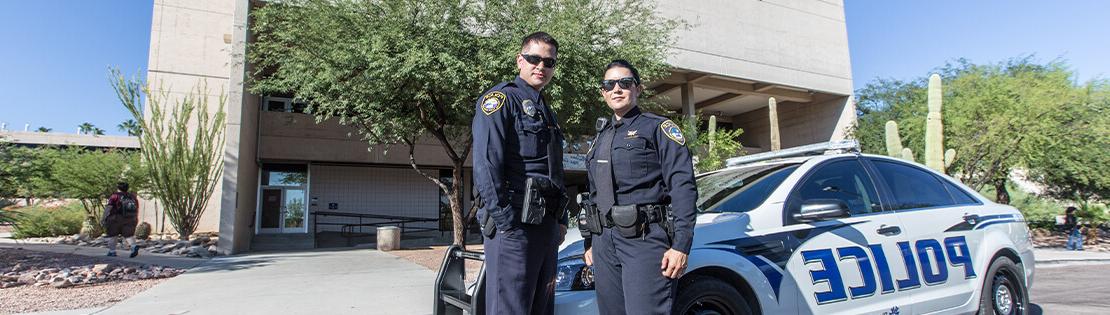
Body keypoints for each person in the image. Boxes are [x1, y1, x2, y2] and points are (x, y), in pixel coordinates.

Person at [581, 60, 697, 315]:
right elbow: (594, 193)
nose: (617, 89)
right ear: (603, 92)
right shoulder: (600, 137)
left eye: (625, 83)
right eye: (609, 84)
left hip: (644, 239)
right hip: (604, 243)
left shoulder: (657, 128)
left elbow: (683, 186)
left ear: (638, 89)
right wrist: (589, 242)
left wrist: (680, 245)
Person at [471, 31, 568, 315]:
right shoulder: (500, 100)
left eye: (548, 62)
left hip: (545, 225)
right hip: (514, 226)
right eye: (534, 58)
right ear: (520, 60)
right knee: (510, 309)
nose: (541, 66)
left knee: (541, 307)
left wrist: (560, 220)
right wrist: (506, 223)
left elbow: (554, 169)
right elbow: (486, 166)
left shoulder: (545, 111)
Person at [103, 182, 140, 257]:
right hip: (130, 218)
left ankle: (112, 251)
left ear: (118, 188)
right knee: (129, 235)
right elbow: (137, 208)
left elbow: (109, 207)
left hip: (116, 218)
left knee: (113, 235)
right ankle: (133, 246)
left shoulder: (115, 196)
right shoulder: (132, 197)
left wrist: (104, 217)